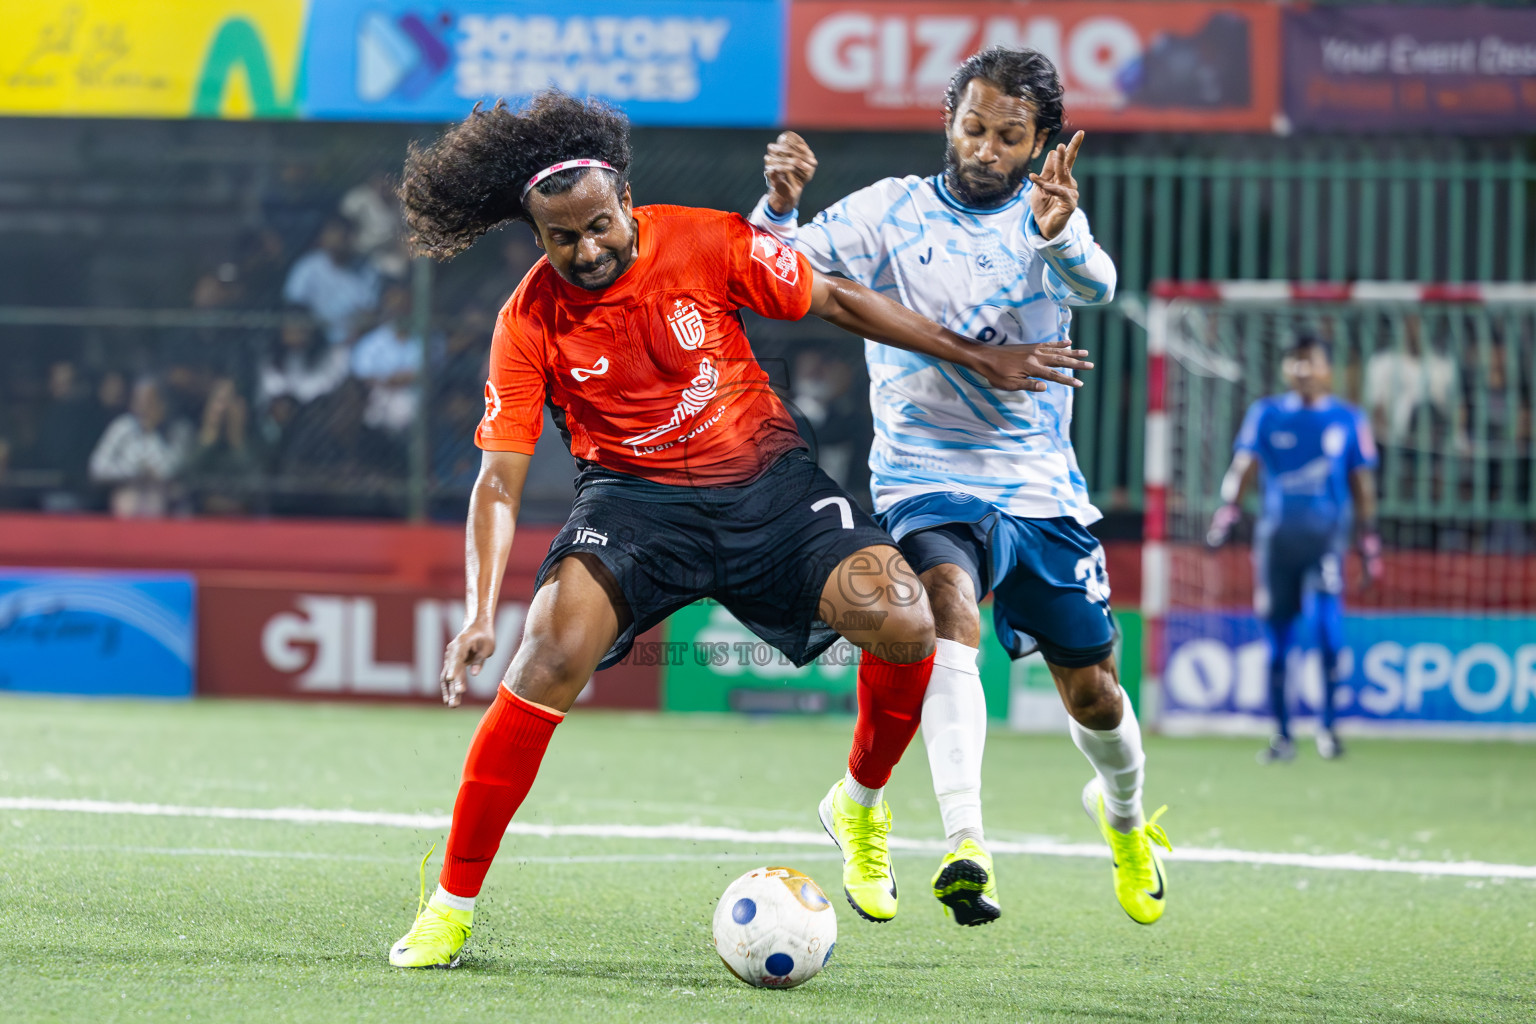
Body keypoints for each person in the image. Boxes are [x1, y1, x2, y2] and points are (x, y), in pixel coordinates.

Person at [385, 90, 1092, 969]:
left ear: (626, 201)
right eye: (562, 238)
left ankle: (860, 803)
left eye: (600, 226)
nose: (588, 249)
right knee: (545, 656)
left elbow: (835, 299)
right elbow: (499, 480)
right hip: (632, 507)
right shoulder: (527, 320)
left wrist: (980, 354)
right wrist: (478, 610)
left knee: (906, 619)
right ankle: (450, 908)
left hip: (768, 490)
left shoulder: (707, 239)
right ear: (536, 237)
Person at [747, 46, 1169, 928]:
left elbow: (1098, 285)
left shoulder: (1048, 219)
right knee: (947, 611)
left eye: (1008, 136)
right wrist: (779, 206)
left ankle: (1124, 817)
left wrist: (1060, 230)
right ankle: (966, 844)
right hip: (923, 474)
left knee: (1095, 695)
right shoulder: (890, 210)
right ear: (950, 121)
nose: (985, 148)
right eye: (973, 127)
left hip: (1040, 488)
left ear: (1038, 143)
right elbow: (770, 269)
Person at [1208, 336, 1381, 763]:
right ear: (1286, 369)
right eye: (1295, 362)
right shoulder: (1266, 414)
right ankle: (1283, 735)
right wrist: (1228, 511)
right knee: (1278, 645)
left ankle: (1329, 729)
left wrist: (1368, 539)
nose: (1303, 370)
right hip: (1276, 544)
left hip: (1326, 544)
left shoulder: (1348, 418)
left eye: (1311, 362)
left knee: (1327, 636)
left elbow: (1361, 482)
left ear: (1328, 369)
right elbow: (1244, 465)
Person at [87, 376, 193, 518]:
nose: (143, 408)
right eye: (138, 401)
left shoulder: (179, 430)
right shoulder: (122, 427)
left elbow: (171, 471)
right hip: (125, 499)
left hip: (165, 505)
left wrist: (152, 433)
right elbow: (97, 467)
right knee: (128, 496)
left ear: (163, 403)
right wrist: (133, 472)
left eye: (150, 402)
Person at [282, 218, 381, 345]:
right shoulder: (308, 266)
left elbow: (370, 313)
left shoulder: (367, 270)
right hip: (313, 341)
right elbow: (293, 304)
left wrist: (353, 339)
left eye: (344, 236)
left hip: (351, 343)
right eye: (333, 233)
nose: (338, 241)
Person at [350, 283, 424, 435]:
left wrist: (397, 379)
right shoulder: (371, 341)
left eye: (402, 306)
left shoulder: (421, 340)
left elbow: (420, 374)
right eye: (394, 306)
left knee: (406, 404)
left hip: (409, 397)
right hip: (377, 397)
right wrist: (387, 380)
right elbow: (362, 376)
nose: (398, 311)